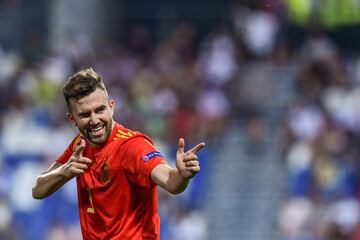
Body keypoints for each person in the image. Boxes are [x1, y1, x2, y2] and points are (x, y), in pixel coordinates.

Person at [32, 68, 205, 239]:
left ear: (111, 107)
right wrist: (64, 172)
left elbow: (171, 182)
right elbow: (38, 190)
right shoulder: (79, 144)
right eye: (85, 114)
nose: (94, 120)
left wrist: (182, 176)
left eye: (99, 110)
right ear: (72, 120)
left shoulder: (132, 146)